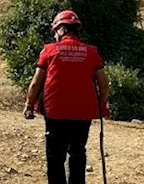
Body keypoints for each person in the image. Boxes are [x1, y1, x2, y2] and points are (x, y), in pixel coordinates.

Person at [23, 10, 110, 184]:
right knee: (78, 152)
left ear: (61, 29)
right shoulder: (91, 52)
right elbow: (104, 84)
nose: (55, 35)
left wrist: (29, 105)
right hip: (83, 112)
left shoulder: (49, 51)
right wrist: (101, 106)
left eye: (55, 31)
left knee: (55, 157)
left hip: (55, 112)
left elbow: (35, 83)